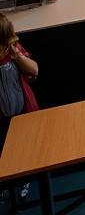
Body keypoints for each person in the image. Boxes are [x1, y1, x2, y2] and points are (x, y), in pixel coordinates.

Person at [0, 12, 39, 181]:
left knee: (22, 148)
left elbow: (34, 69)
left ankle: (24, 180)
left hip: (20, 113)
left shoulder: (13, 52)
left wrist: (17, 55)